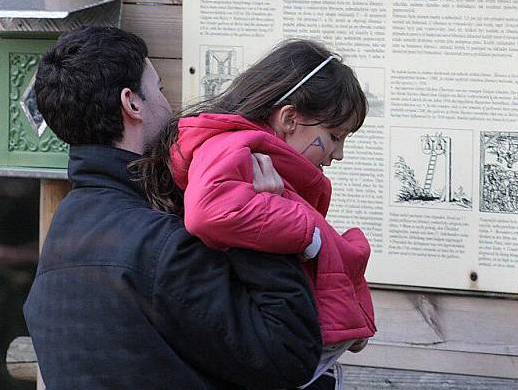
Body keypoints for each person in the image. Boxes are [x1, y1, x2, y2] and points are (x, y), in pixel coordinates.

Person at [23, 27, 322, 389]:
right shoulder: (161, 246)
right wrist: (262, 227)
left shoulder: (60, 237)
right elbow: (287, 355)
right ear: (132, 103)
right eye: (160, 89)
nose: (169, 105)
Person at [137, 39, 377, 389]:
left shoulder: (259, 154)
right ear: (290, 118)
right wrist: (306, 235)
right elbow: (206, 214)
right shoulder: (236, 147)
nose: (337, 154)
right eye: (334, 136)